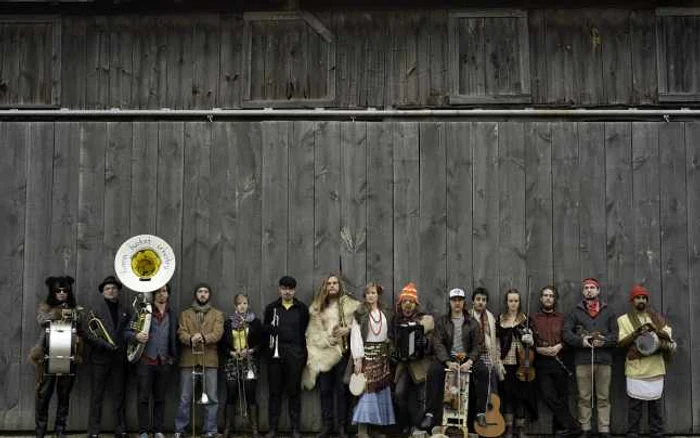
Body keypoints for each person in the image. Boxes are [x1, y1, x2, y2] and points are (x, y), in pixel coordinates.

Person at [303, 274, 360, 438]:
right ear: (325, 286)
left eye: (335, 283)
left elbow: (360, 324)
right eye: (329, 283)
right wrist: (325, 339)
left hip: (342, 352)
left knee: (342, 390)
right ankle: (327, 426)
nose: (332, 286)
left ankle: (342, 427)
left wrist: (347, 330)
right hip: (323, 353)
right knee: (325, 390)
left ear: (339, 286)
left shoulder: (350, 305)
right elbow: (312, 331)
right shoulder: (317, 306)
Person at [617, 285, 676, 438]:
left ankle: (656, 432)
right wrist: (637, 333)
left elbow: (668, 334)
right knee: (635, 405)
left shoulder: (655, 317)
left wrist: (654, 331)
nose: (641, 300)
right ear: (632, 301)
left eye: (644, 298)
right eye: (638, 298)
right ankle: (632, 432)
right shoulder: (623, 320)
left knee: (655, 405)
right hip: (636, 368)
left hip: (655, 366)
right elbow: (621, 341)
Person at [562, 278, 618, 438]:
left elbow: (615, 336)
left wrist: (604, 342)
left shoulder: (609, 311)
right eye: (586, 287)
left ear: (598, 290)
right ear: (583, 291)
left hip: (604, 361)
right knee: (584, 396)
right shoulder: (575, 312)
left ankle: (604, 429)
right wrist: (581, 341)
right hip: (583, 361)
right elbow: (566, 333)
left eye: (592, 287)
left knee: (603, 396)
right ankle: (585, 428)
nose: (589, 290)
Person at [420, 287, 481, 432]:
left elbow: (478, 345)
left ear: (464, 302)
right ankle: (430, 413)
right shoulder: (442, 321)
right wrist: (447, 361)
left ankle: (480, 413)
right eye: (454, 300)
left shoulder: (472, 322)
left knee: (484, 371)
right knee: (434, 371)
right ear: (450, 302)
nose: (457, 303)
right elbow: (437, 343)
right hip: (448, 357)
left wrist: (470, 361)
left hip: (466, 358)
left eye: (460, 300)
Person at [29, 276, 82, 438]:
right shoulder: (45, 307)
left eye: (65, 290)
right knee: (43, 395)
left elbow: (79, 324)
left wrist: (73, 314)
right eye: (57, 290)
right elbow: (41, 320)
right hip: (47, 356)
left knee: (64, 395)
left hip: (68, 356)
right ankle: (41, 431)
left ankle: (60, 430)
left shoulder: (75, 309)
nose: (61, 293)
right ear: (53, 292)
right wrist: (56, 313)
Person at [84, 275, 135, 438]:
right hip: (100, 359)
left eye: (113, 288)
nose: (111, 290)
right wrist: (105, 345)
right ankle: (93, 432)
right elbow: (87, 334)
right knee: (96, 396)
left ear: (118, 291)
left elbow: (129, 332)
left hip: (119, 359)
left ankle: (121, 430)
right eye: (107, 288)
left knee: (120, 396)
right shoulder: (94, 310)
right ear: (103, 292)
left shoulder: (126, 310)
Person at [174, 283, 224, 438]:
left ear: (209, 295)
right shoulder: (185, 314)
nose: (203, 294)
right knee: (184, 397)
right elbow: (180, 332)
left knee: (212, 398)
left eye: (206, 292)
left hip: (209, 361)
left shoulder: (217, 314)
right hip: (188, 360)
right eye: (200, 291)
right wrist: (190, 338)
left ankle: (210, 430)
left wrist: (202, 337)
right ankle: (180, 430)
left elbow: (218, 334)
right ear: (195, 294)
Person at [531, 285, 581, 438]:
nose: (548, 298)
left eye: (551, 296)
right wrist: (537, 349)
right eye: (545, 295)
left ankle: (563, 430)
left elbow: (570, 336)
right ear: (541, 298)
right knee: (548, 395)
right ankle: (574, 426)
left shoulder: (562, 318)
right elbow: (527, 338)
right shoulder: (533, 318)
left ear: (555, 299)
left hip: (561, 360)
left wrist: (560, 346)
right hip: (541, 362)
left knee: (562, 397)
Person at [263, 276, 310, 438]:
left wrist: (302, 354)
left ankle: (295, 428)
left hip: (295, 355)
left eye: (290, 288)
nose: (287, 291)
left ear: (294, 290)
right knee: (274, 392)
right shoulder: (271, 308)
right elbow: (265, 332)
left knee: (294, 392)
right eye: (284, 288)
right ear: (279, 289)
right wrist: (270, 329)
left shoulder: (302, 309)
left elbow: (306, 333)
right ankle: (273, 428)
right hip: (275, 356)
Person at [134, 284, 179, 438]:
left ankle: (158, 430)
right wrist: (136, 336)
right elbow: (128, 332)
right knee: (143, 398)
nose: (162, 294)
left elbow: (175, 337)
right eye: (158, 292)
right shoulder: (143, 312)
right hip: (146, 361)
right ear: (154, 295)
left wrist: (172, 358)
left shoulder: (172, 314)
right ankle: (144, 431)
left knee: (160, 399)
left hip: (164, 362)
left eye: (165, 291)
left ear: (168, 294)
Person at [351, 282, 395, 438]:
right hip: (366, 356)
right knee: (366, 393)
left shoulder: (385, 313)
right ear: (365, 295)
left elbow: (388, 332)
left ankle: (375, 429)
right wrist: (357, 358)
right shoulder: (360, 312)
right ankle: (362, 431)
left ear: (378, 295)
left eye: (373, 293)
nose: (371, 295)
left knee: (380, 392)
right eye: (368, 293)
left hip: (382, 357)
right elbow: (355, 335)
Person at [390, 283, 434, 435]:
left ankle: (417, 426)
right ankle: (405, 424)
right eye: (404, 302)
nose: (407, 305)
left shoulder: (424, 321)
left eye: (410, 302)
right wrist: (393, 354)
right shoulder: (395, 322)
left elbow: (433, 342)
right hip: (403, 365)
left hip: (420, 365)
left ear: (415, 305)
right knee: (399, 393)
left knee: (422, 397)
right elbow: (390, 342)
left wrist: (426, 343)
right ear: (400, 305)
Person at [496, 289, 538, 438]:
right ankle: (508, 427)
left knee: (521, 396)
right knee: (508, 396)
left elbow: (534, 342)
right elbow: (497, 342)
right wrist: (498, 361)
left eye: (516, 301)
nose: (513, 303)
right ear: (506, 302)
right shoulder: (501, 319)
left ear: (519, 302)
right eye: (510, 300)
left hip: (523, 363)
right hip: (506, 362)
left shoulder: (525, 319)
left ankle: (520, 427)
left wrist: (530, 338)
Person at [221, 293, 264, 438]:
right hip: (232, 362)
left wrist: (251, 350)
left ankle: (254, 429)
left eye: (245, 303)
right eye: (239, 303)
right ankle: (227, 428)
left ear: (248, 305)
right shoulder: (228, 323)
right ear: (235, 306)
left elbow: (261, 343)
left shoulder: (255, 322)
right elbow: (222, 344)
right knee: (231, 393)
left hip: (249, 361)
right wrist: (231, 353)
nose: (242, 306)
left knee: (251, 394)